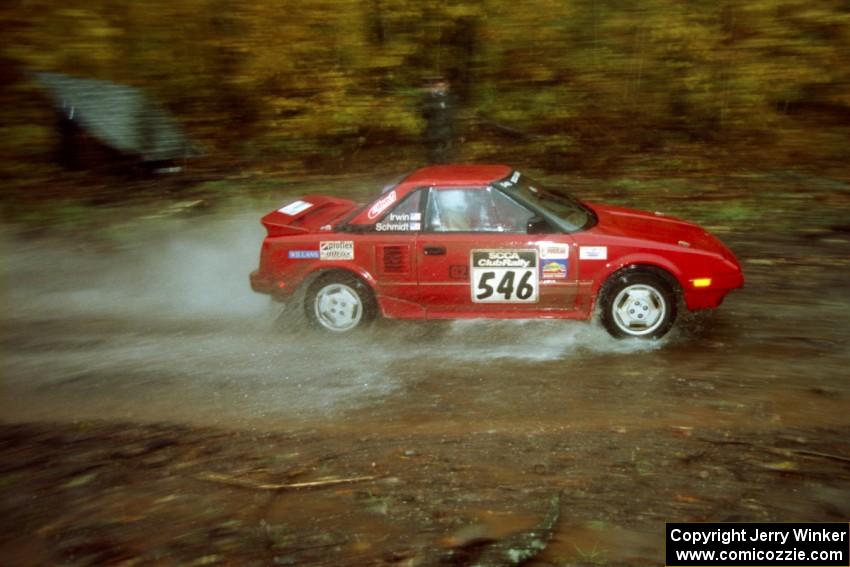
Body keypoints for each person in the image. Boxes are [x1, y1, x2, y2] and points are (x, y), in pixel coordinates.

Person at [419, 77, 457, 164]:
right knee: (434, 152)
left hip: (448, 130)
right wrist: (431, 100)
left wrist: (456, 132)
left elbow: (453, 115)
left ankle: (446, 168)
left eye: (443, 86)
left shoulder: (451, 98)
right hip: (434, 129)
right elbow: (424, 114)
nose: (441, 88)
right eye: (438, 86)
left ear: (447, 87)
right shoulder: (429, 98)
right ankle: (435, 168)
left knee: (447, 152)